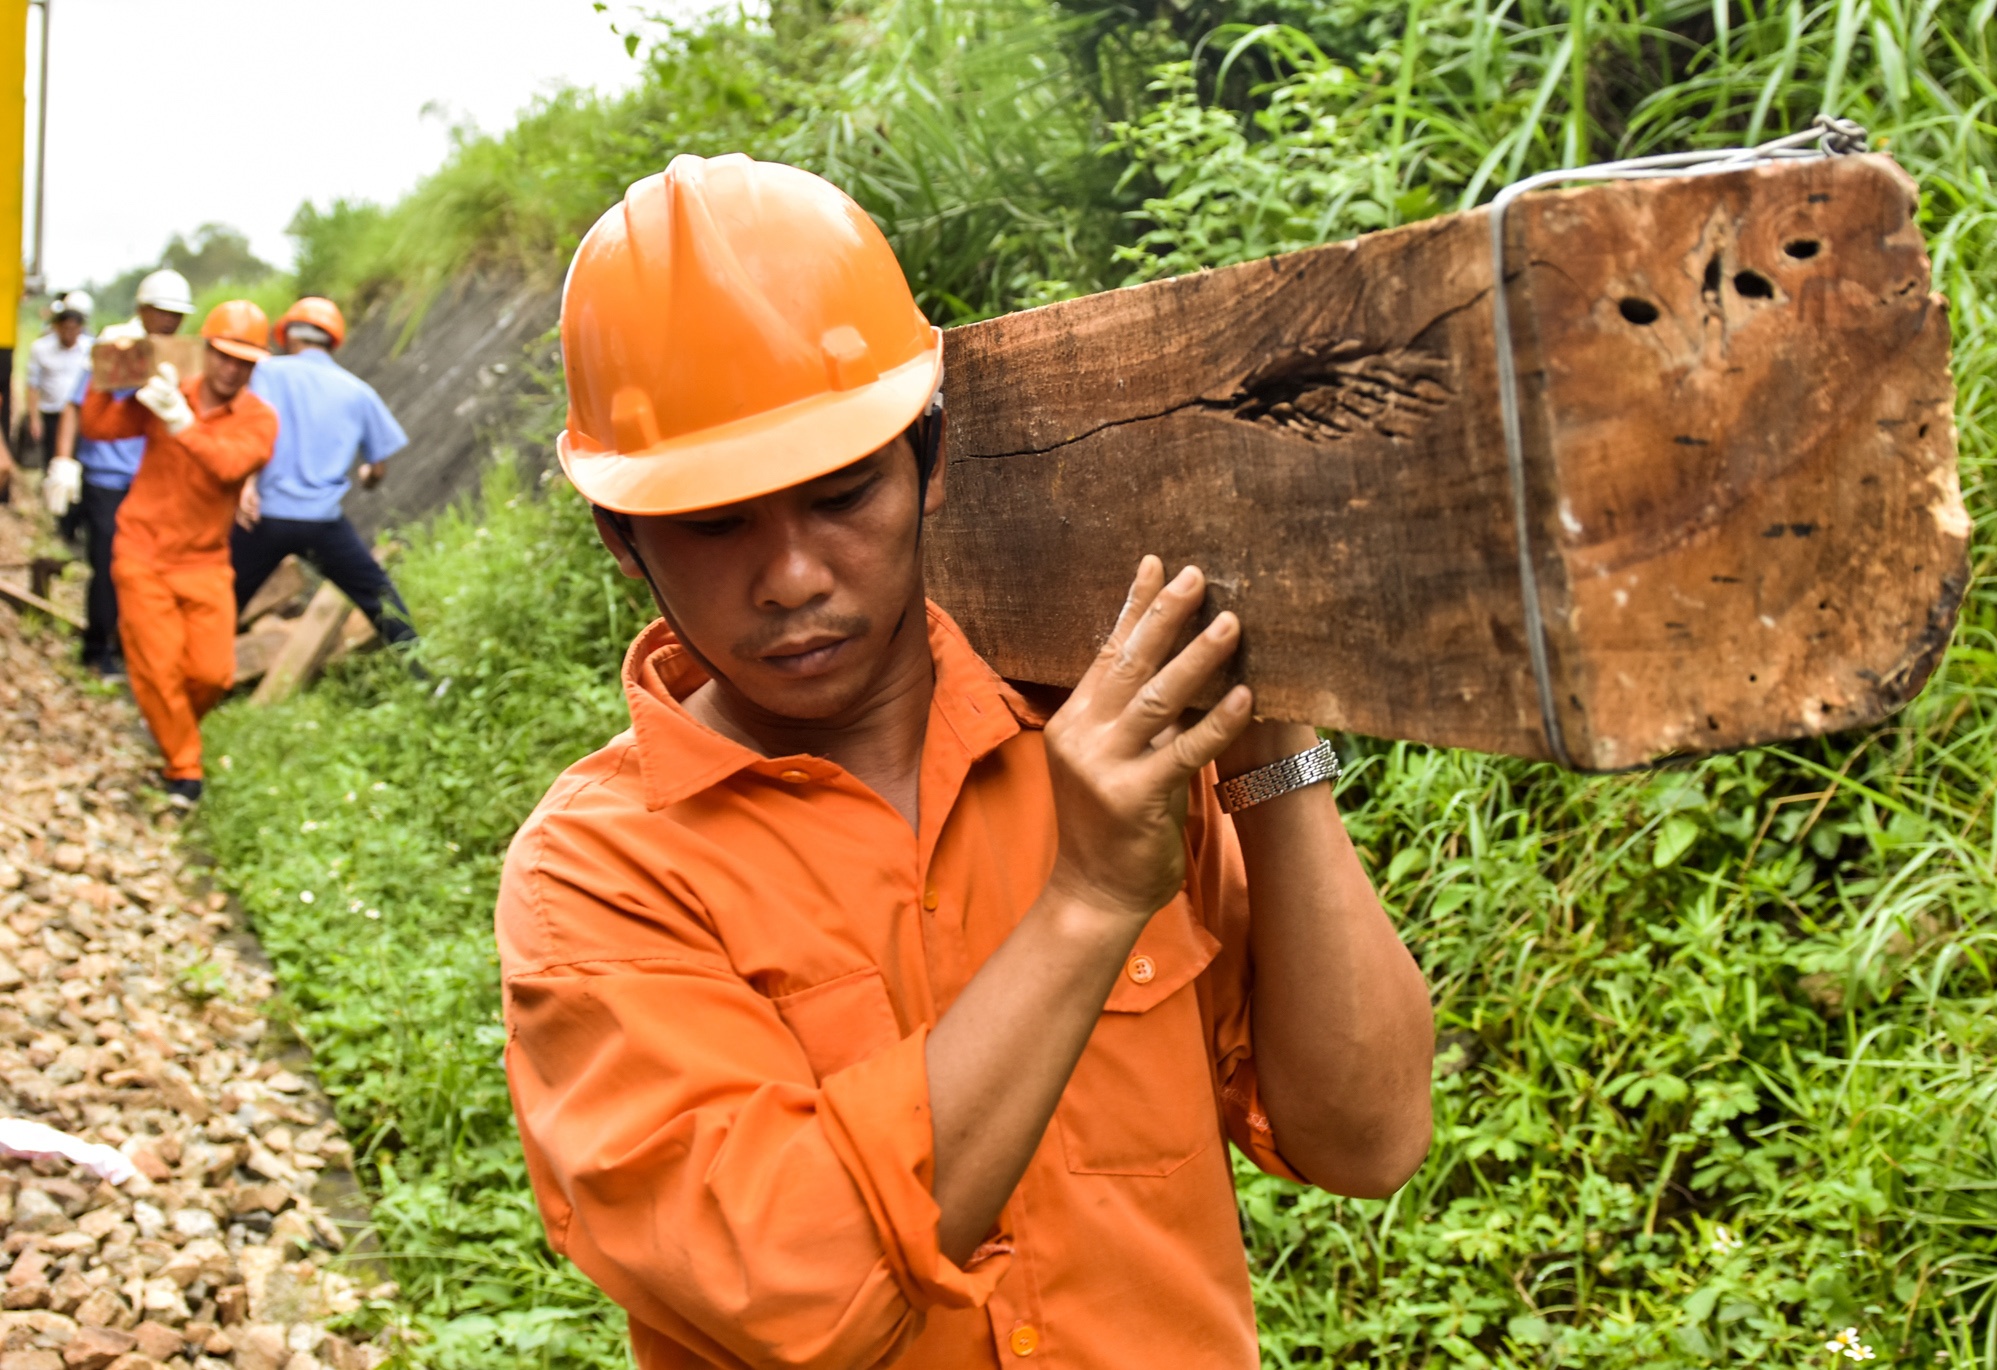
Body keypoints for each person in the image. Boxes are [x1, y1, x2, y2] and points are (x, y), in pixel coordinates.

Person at [495, 154, 1437, 1370]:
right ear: (622, 538)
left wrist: (1271, 738)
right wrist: (1088, 899)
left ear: (927, 461)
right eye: (714, 524)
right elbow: (802, 1293)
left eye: (842, 495)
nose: (791, 577)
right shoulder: (596, 875)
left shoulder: (1098, 747)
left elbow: (1365, 1139)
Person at [79, 300, 276, 805]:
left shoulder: (259, 419)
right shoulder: (166, 390)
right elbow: (99, 426)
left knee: (213, 673)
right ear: (205, 350)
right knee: (157, 665)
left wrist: (184, 424)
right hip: (142, 552)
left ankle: (168, 723)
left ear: (255, 366)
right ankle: (184, 768)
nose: (231, 369)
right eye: (224, 355)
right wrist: (106, 369)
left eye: (244, 361)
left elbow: (230, 466)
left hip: (205, 561)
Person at [231, 296, 416, 645]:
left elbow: (244, 431)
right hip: (322, 521)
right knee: (380, 599)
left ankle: (180, 669)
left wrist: (247, 483)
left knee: (221, 601)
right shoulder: (359, 392)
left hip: (264, 516)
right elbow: (377, 469)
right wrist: (367, 477)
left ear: (288, 335)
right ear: (332, 341)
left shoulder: (265, 372)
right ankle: (421, 666)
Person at [60, 269, 197, 676]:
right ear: (142, 309)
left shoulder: (179, 356)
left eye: (177, 314)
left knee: (148, 568)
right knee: (109, 565)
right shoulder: (113, 347)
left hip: (153, 480)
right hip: (108, 478)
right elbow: (77, 406)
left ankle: (131, 645)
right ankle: (97, 649)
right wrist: (64, 460)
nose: (170, 321)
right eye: (162, 311)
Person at [24, 292, 95, 474]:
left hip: (82, 415)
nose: (69, 333)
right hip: (52, 413)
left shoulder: (91, 348)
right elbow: (32, 384)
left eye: (74, 328)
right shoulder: (41, 348)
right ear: (57, 327)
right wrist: (34, 419)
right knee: (52, 461)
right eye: (65, 328)